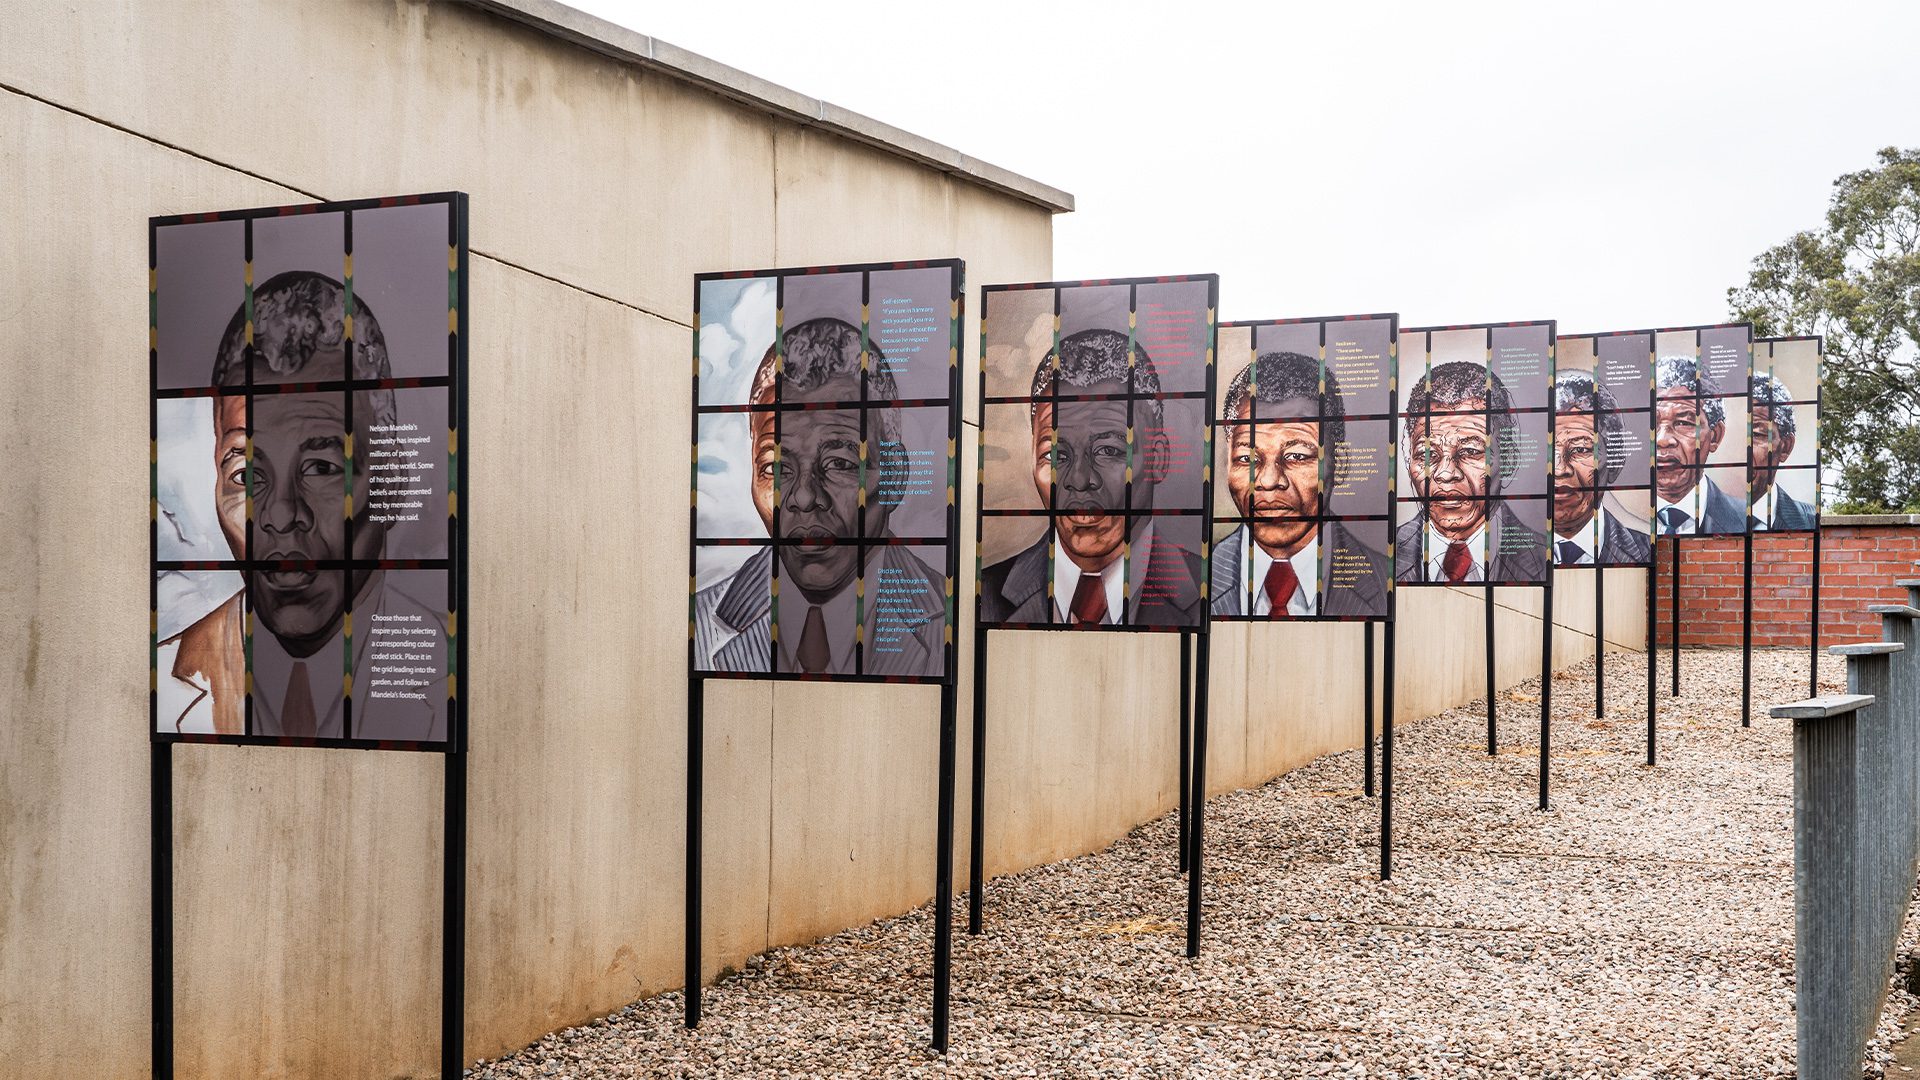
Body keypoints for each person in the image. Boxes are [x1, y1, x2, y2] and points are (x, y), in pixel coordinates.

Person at [156, 271, 448, 740]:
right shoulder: (165, 679)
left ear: (391, 481)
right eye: (247, 476)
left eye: (321, 468)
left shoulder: (447, 671)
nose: (280, 513)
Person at [694, 317, 946, 675]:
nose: (804, 496)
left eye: (839, 463)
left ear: (894, 476)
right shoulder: (702, 622)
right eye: (776, 469)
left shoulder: (949, 620)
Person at [977, 328, 1206, 626]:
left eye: (1107, 451)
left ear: (1158, 459)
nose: (1080, 479)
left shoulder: (1209, 593)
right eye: (1056, 456)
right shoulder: (986, 596)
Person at [1210, 350, 1389, 617]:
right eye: (1247, 458)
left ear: (1338, 464)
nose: (1269, 481)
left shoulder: (1385, 579)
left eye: (1296, 456)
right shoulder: (1195, 582)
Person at [1394, 361, 1548, 583]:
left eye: (1469, 452)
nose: (1446, 474)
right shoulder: (1381, 559)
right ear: (1409, 460)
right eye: (1428, 455)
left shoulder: (1544, 558)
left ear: (1509, 459)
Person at [1550, 371, 1652, 565]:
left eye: (1580, 449)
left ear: (1615, 463)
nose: (1560, 468)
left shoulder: (1646, 553)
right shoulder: (1497, 555)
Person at [1653, 356, 1744, 535]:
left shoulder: (1744, 520)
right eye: (1651, 423)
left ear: (1715, 435)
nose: (1662, 440)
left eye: (1682, 423)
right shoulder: (1616, 530)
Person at [1749, 372, 1813, 530]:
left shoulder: (1809, 520)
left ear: (1785, 447)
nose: (1743, 450)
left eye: (1757, 435)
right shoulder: (1688, 519)